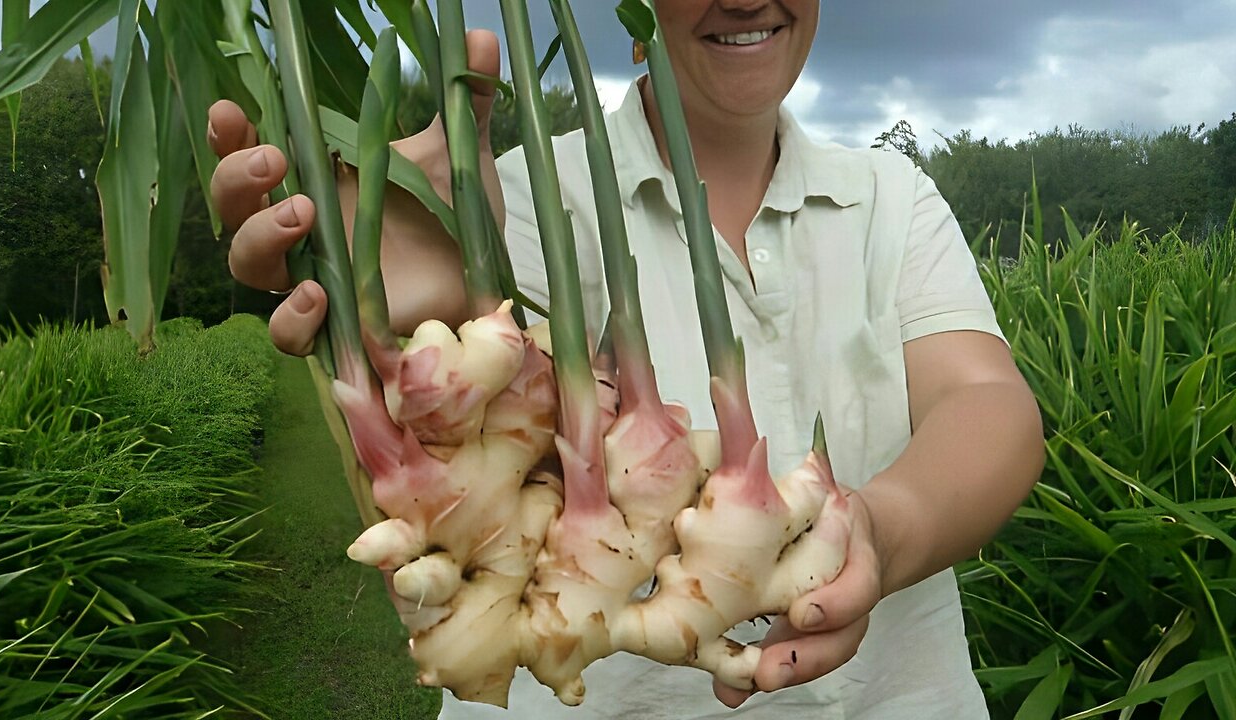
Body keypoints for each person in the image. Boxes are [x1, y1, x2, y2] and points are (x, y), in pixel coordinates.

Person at [209, 1, 1045, 717]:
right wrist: (420, 308)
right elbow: (485, 417)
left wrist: (879, 535)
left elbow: (988, 406)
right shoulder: (520, 202)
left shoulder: (891, 195)